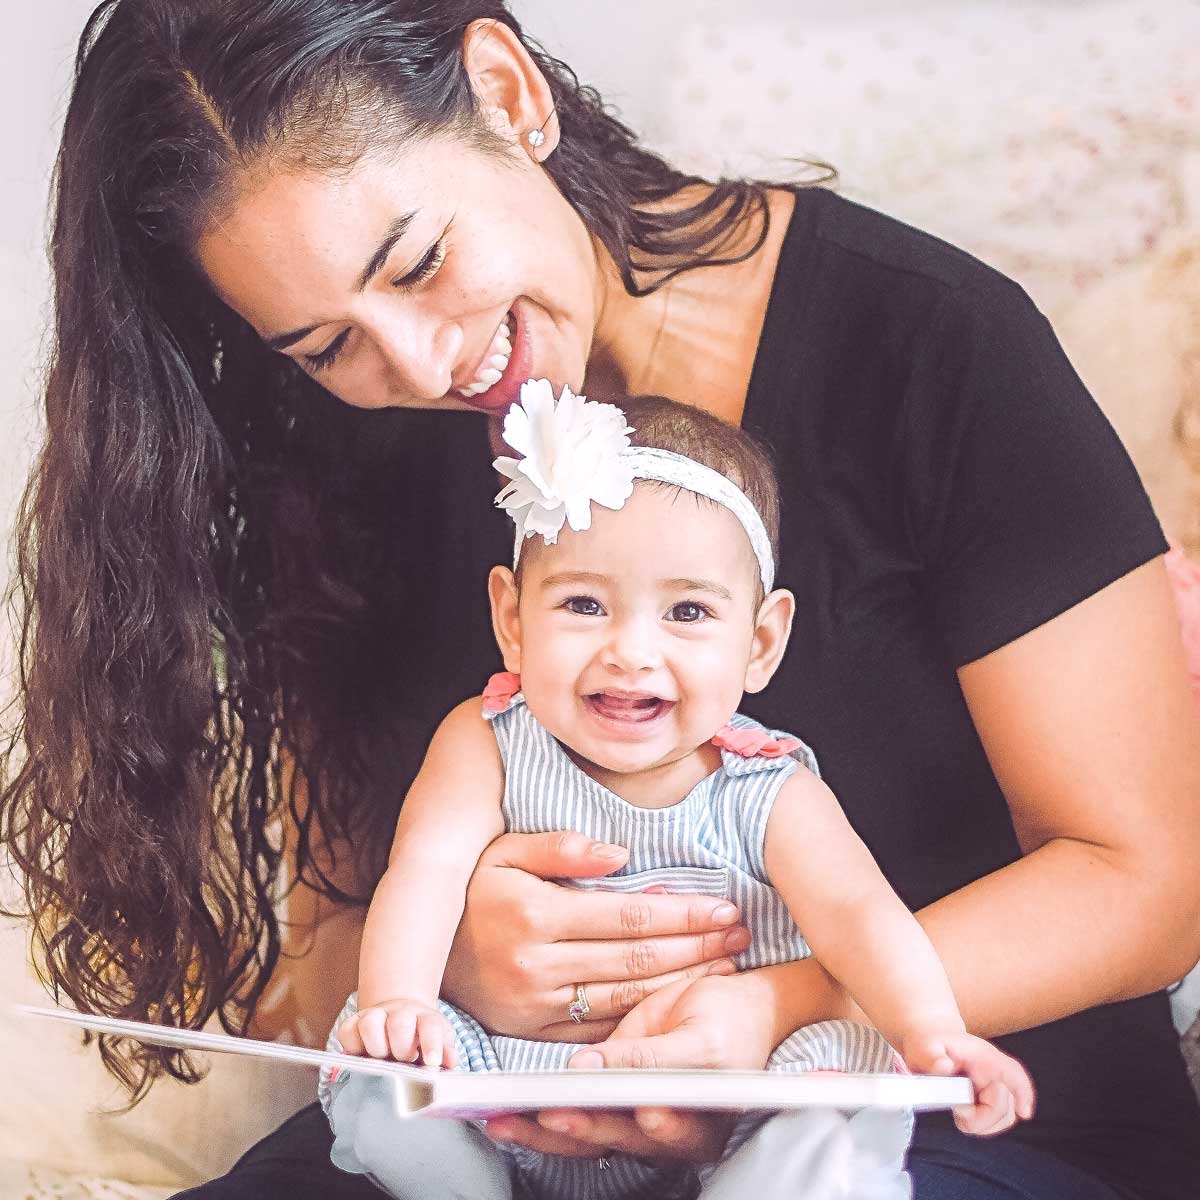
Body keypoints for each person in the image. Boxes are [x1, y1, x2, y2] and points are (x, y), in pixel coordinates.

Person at [2, 1, 1198, 1198]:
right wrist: (457, 975)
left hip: (946, 1117)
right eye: (326, 345)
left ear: (509, 96)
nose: (422, 368)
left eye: (419, 263)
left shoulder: (933, 343)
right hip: (497, 1119)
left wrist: (767, 1022)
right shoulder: (351, 453)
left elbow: (1148, 887)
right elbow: (331, 949)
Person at [321, 385, 1035, 1198]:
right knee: (378, 1059)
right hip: (505, 1093)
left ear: (760, 642)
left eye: (688, 612)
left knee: (833, 1070)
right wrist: (401, 1001)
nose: (631, 651)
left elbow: (862, 916)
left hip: (714, 1109)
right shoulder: (487, 738)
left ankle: (776, 1181)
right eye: (584, 604)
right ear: (512, 620)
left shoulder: (770, 787)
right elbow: (425, 868)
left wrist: (934, 1031)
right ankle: (453, 1185)